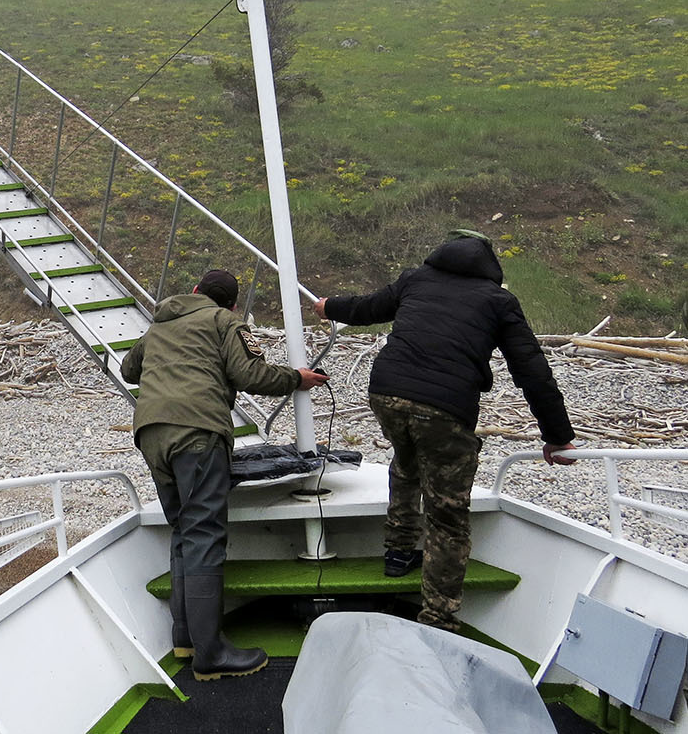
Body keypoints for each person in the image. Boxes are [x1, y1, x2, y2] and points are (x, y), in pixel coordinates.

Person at [313, 228, 576, 633]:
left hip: (386, 393)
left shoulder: (416, 279)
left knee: (406, 459)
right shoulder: (498, 300)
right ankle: (438, 618)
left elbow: (368, 308)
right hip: (443, 406)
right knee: (448, 514)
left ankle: (398, 552)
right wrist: (556, 434)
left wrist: (330, 306)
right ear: (491, 267)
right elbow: (532, 371)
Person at [123, 268, 328, 679]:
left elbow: (130, 370)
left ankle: (185, 639)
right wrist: (297, 379)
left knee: (183, 530)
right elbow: (251, 375)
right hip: (198, 432)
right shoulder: (225, 321)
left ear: (195, 290)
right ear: (233, 304)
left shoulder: (161, 323)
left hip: (150, 434)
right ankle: (211, 654)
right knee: (204, 535)